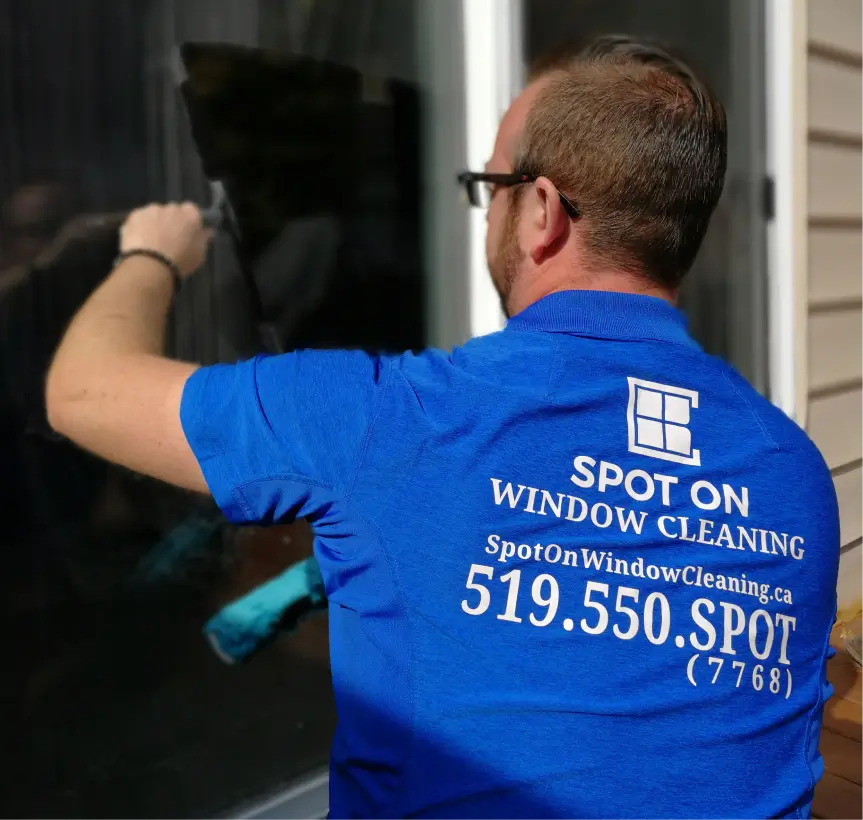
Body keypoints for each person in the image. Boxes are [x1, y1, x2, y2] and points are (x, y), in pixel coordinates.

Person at [45, 36, 839, 820]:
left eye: (489, 184)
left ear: (540, 212)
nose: (485, 208)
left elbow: (84, 391)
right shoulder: (793, 472)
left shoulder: (392, 421)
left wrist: (149, 253)